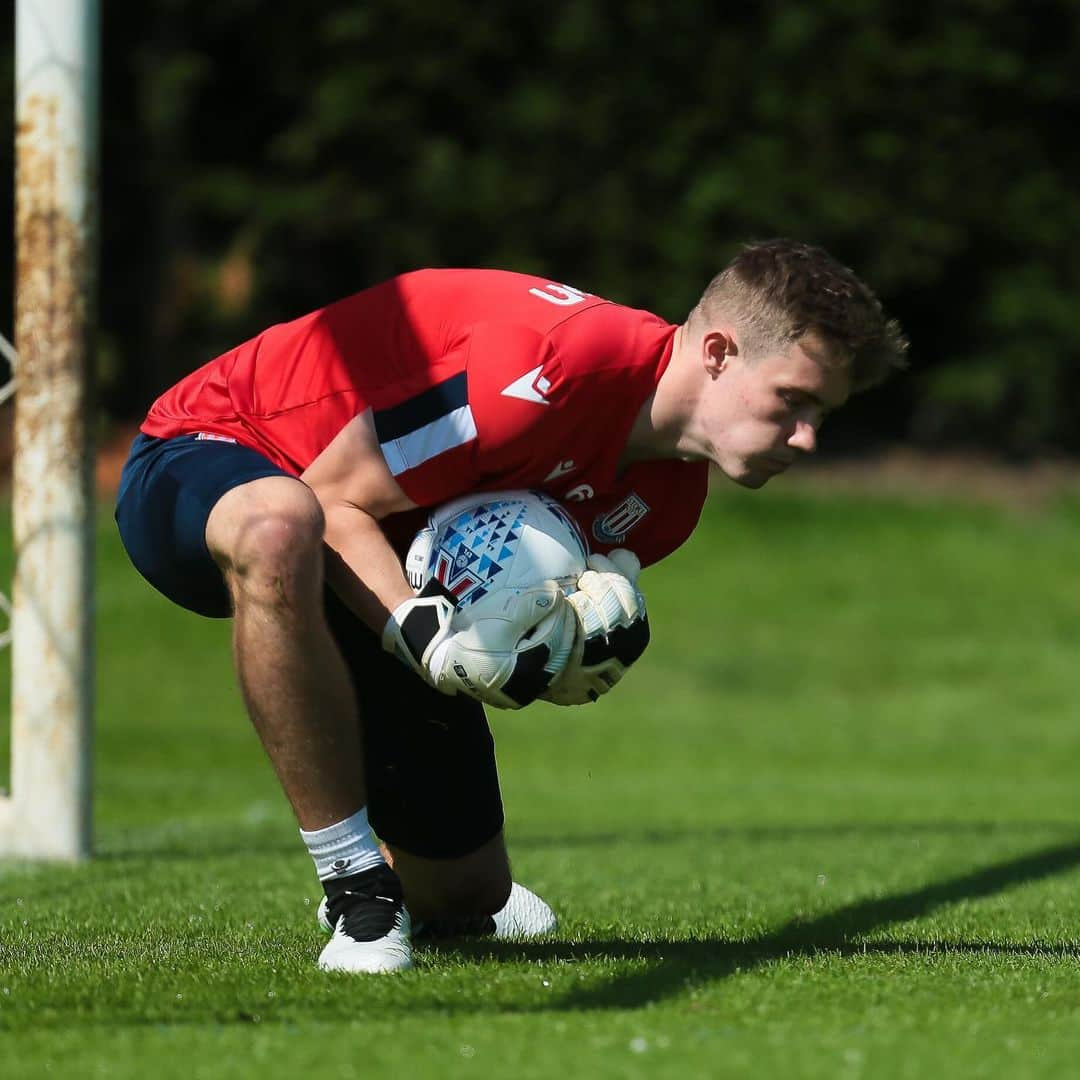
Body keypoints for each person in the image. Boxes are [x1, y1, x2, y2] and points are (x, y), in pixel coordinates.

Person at [115, 239, 908, 974]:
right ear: (718, 352)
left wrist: (549, 653)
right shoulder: (548, 375)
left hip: (373, 539)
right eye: (793, 400)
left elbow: (460, 579)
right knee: (280, 522)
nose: (806, 438)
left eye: (821, 415)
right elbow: (332, 497)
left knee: (467, 897)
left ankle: (411, 884)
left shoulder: (667, 507)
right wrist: (424, 636)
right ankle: (355, 890)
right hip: (216, 450)